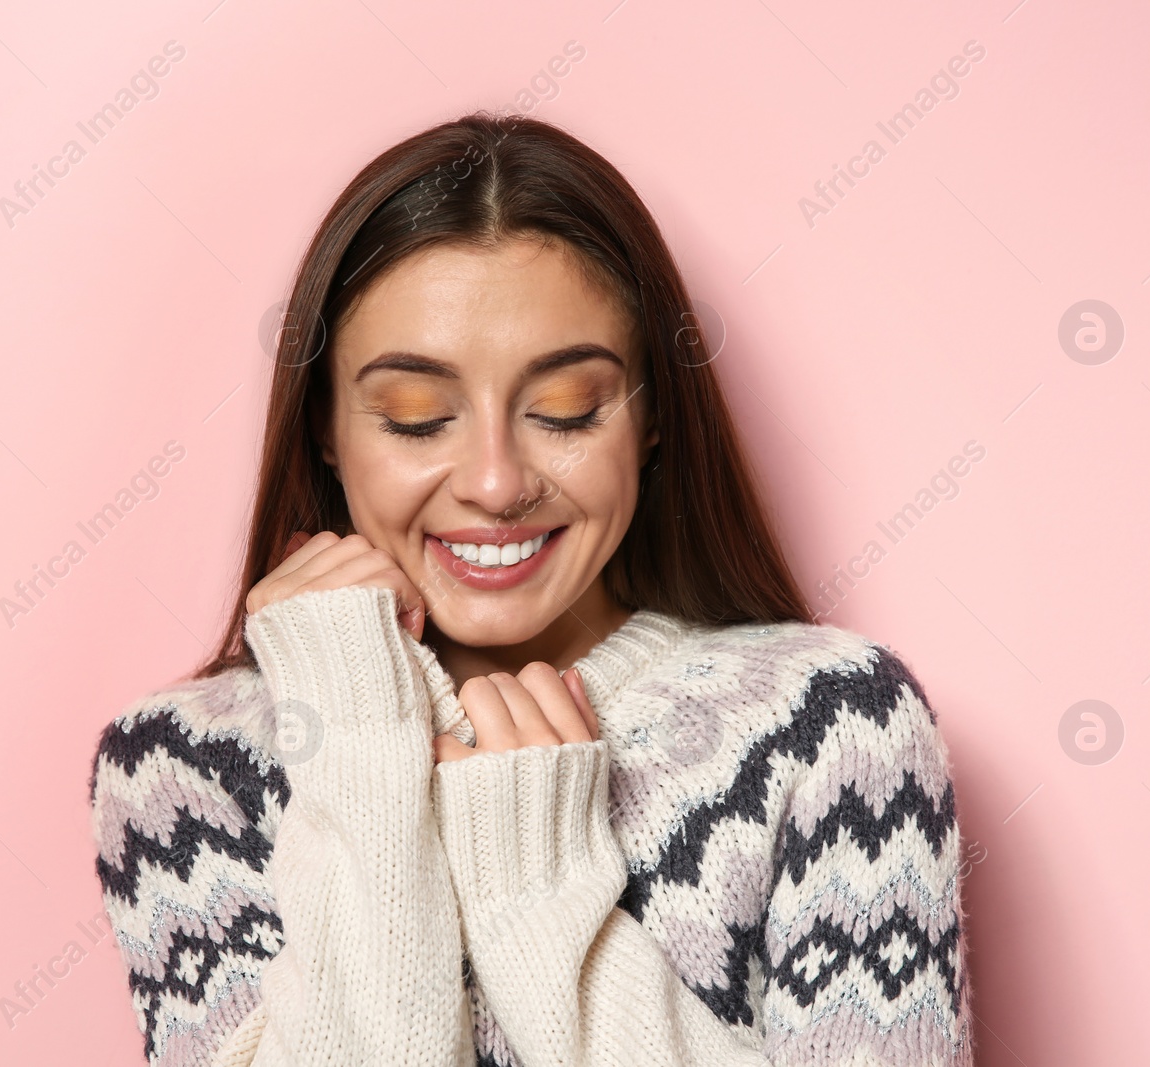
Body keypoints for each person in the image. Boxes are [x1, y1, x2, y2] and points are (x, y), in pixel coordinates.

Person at [88, 111, 975, 1066]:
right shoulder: (184, 771)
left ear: (651, 420)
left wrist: (543, 902)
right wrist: (353, 745)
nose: (498, 482)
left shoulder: (831, 726)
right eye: (417, 418)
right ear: (325, 434)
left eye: (565, 411)